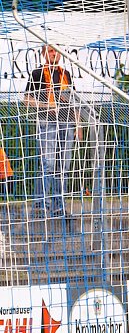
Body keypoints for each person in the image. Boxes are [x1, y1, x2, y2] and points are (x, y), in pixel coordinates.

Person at [23, 44, 79, 218]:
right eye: (50, 51)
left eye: (56, 51)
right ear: (44, 54)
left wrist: (78, 124)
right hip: (47, 122)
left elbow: (73, 100)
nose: (54, 54)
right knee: (47, 164)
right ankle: (41, 205)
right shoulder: (37, 73)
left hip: (67, 123)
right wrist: (46, 105)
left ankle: (58, 207)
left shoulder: (65, 74)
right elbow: (26, 99)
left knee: (63, 167)